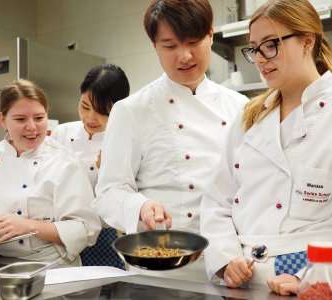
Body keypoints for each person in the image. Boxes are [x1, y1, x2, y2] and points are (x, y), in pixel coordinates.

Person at [200, 0, 332, 295]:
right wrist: (227, 259)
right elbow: (217, 202)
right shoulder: (249, 118)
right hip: (242, 283)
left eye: (271, 45)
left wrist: (315, 277)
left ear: (307, 40)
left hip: (313, 281)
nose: (260, 58)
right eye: (254, 48)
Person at [94, 0, 248, 281]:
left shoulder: (240, 107)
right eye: (170, 46)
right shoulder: (132, 110)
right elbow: (108, 192)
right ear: (155, 46)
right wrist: (139, 206)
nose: (184, 56)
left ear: (211, 35)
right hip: (160, 268)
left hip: (230, 263)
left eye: (193, 41)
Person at [0, 79, 101, 266]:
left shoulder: (64, 161)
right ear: (3, 120)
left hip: (48, 266)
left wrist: (28, 226)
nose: (32, 127)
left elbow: (84, 229)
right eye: (20, 119)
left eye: (39, 118)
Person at [51, 64, 130, 269]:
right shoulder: (60, 134)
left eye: (103, 112)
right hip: (60, 235)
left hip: (106, 238)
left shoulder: (125, 141)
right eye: (85, 107)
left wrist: (109, 174)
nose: (90, 118)